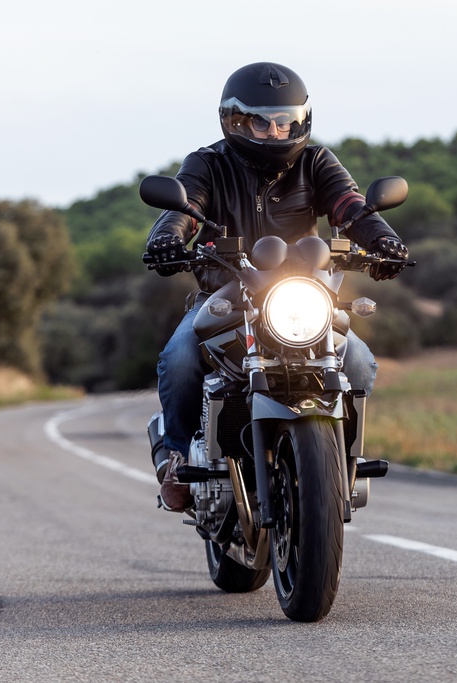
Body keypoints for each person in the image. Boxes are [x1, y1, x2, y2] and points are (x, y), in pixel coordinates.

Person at [146, 62, 410, 511]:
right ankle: (176, 457)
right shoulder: (208, 164)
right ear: (235, 121)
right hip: (227, 295)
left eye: (285, 121)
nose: (275, 131)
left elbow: (350, 206)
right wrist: (167, 238)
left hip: (303, 296)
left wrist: (384, 241)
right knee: (180, 357)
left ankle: (339, 461)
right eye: (262, 122)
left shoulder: (316, 162)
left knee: (359, 361)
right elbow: (185, 208)